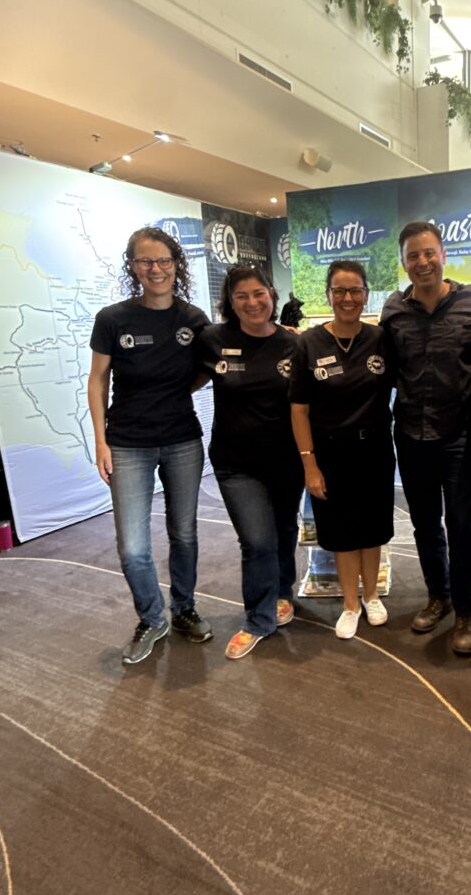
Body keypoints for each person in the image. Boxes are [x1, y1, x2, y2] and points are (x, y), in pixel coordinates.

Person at [88, 226, 212, 665]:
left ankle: (183, 609)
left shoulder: (194, 319)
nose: (155, 269)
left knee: (184, 534)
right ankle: (151, 617)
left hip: (182, 440)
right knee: (133, 547)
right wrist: (101, 440)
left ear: (176, 264)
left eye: (163, 260)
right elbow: (98, 379)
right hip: (127, 443)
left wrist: (181, 389)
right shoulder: (113, 318)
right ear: (132, 266)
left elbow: (205, 371)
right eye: (145, 261)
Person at [381, 222, 471, 654]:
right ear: (404, 262)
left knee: (463, 526)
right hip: (409, 434)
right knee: (425, 524)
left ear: (443, 254)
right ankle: (438, 596)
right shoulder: (393, 309)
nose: (421, 262)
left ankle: (465, 609)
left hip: (458, 435)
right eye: (412, 256)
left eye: (428, 253)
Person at [197, 267, 304, 659]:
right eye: (242, 296)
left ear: (272, 296)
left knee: (283, 528)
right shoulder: (213, 340)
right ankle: (258, 619)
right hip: (235, 461)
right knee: (257, 540)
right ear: (230, 301)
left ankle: (281, 592)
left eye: (259, 293)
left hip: (286, 458)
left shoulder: (294, 344)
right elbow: (187, 378)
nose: (252, 302)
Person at [290, 260, 395, 639]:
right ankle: (350, 603)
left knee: (373, 529)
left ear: (366, 294)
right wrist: (309, 465)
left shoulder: (381, 339)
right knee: (342, 531)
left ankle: (372, 597)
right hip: (330, 455)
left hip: (377, 451)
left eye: (355, 290)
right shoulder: (309, 342)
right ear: (328, 295)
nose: (347, 298)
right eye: (339, 291)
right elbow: (299, 410)